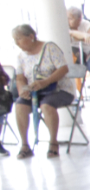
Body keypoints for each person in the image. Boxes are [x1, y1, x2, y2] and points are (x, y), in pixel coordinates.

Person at [10, 24, 76, 158]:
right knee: (20, 105)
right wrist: (23, 89)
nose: (16, 43)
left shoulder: (50, 48)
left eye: (19, 38)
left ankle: (53, 142)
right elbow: (20, 78)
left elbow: (63, 69)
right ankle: (25, 145)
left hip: (59, 90)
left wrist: (46, 82)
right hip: (36, 92)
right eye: (15, 39)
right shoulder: (21, 56)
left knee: (47, 105)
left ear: (31, 36)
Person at [67, 7, 90, 106]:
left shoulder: (86, 24)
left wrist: (79, 35)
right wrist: (80, 34)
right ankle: (77, 96)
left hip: (88, 54)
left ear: (79, 18)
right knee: (72, 72)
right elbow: (72, 35)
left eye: (70, 18)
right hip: (74, 55)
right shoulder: (65, 26)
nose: (68, 20)